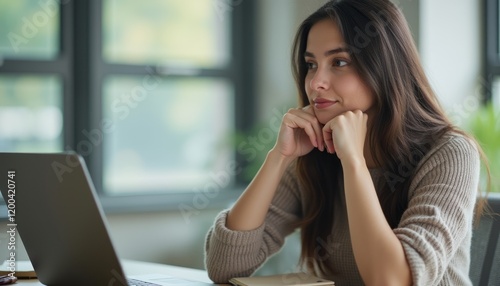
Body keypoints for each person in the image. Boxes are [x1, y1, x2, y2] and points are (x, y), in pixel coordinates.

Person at [204, 0, 489, 285]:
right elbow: (225, 266)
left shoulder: (450, 153)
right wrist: (279, 156)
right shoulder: (315, 151)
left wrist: (354, 162)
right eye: (311, 64)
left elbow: (391, 280)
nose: (316, 82)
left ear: (385, 66)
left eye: (339, 62)